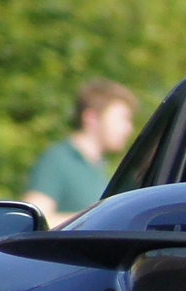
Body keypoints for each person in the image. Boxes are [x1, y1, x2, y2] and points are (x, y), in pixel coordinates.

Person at [22, 81, 138, 227]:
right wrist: (98, 219)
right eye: (122, 119)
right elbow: (33, 221)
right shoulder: (58, 160)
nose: (128, 128)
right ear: (92, 118)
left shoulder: (98, 168)